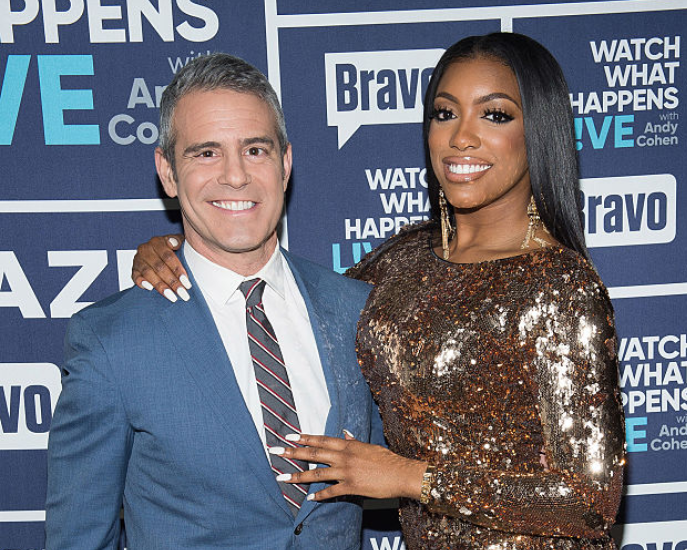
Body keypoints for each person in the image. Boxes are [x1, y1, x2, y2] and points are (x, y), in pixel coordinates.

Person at [131, 33, 626, 549]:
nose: (461, 138)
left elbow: (591, 501)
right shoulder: (401, 261)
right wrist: (173, 251)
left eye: (495, 115)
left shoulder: (559, 285)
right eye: (444, 113)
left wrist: (410, 477)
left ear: (538, 130)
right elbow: (297, 297)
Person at [45, 53, 383, 550]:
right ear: (166, 171)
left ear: (285, 163)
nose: (235, 176)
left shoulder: (356, 309)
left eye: (255, 150)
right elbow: (79, 536)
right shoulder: (111, 341)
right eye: (206, 153)